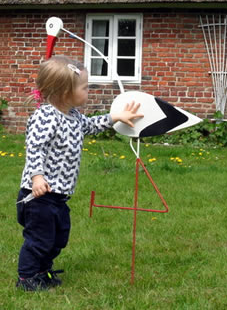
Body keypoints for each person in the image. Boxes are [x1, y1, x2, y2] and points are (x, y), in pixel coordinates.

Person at [16, 56, 142, 291]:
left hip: (59, 195)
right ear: (65, 92)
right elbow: (35, 148)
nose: (88, 91)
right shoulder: (46, 117)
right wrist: (37, 177)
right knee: (39, 240)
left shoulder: (73, 116)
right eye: (85, 87)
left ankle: (42, 272)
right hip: (39, 195)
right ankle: (27, 278)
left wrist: (115, 118)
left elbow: (91, 126)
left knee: (58, 238)